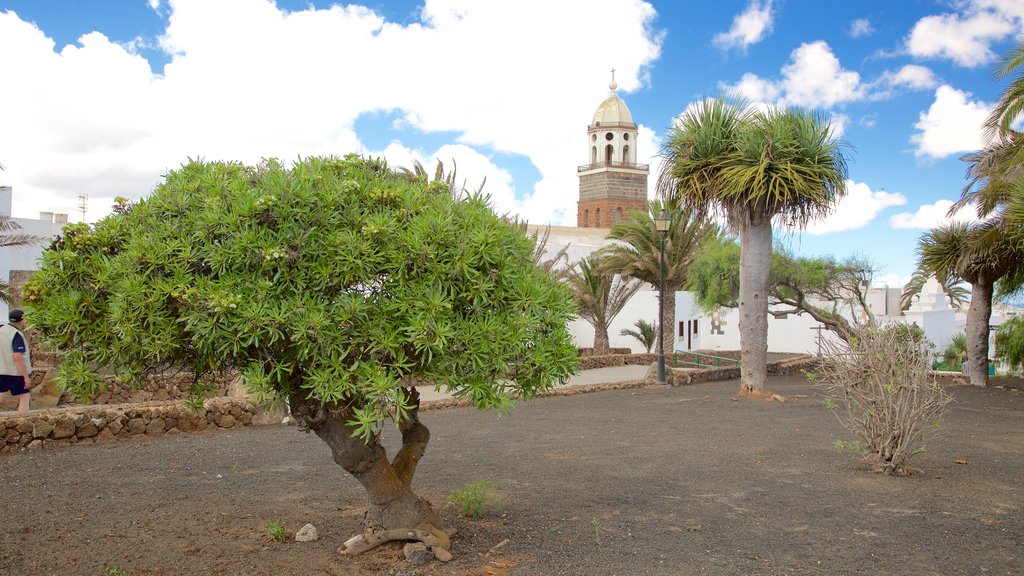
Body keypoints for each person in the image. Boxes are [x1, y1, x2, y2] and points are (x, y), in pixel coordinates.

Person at [0, 309, 32, 413]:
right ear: (21, 320)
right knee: (25, 396)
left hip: (1, 370)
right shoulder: (16, 334)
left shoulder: (2, 330)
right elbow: (17, 357)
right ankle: (23, 422)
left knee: (1, 395)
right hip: (15, 373)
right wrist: (26, 377)